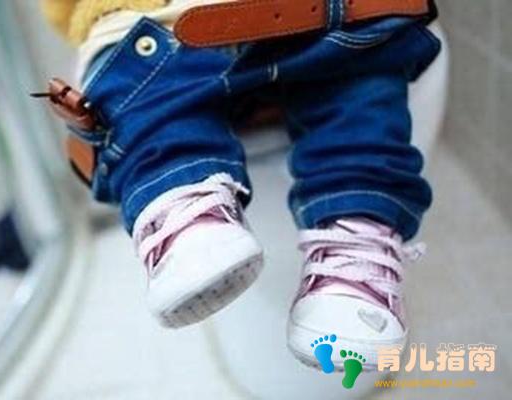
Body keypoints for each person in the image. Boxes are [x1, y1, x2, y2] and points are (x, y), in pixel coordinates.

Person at [41, 0, 441, 370]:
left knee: (145, 104)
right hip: (302, 21)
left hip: (178, 24)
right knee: (358, 97)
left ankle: (187, 208)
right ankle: (350, 252)